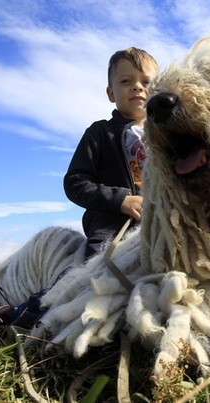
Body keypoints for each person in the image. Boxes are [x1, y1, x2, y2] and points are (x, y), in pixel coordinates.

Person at [64, 47, 159, 259]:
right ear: (111, 93)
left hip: (162, 217)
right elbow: (75, 182)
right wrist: (121, 201)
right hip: (112, 224)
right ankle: (51, 293)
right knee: (92, 271)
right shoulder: (100, 133)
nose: (137, 87)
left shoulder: (168, 135)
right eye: (126, 81)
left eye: (146, 82)